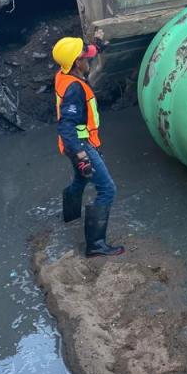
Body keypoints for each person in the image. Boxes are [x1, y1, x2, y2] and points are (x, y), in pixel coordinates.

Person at [52, 33, 124, 258]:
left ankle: (71, 215)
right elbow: (66, 125)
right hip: (79, 144)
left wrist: (98, 46)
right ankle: (95, 245)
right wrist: (82, 155)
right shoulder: (74, 89)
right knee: (107, 189)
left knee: (80, 180)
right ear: (77, 63)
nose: (89, 59)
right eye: (85, 56)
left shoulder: (63, 75)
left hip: (72, 145)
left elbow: (88, 53)